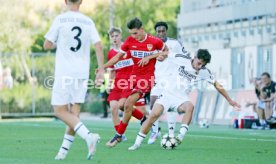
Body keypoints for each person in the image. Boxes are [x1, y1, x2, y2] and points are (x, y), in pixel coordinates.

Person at [128, 49, 241, 150]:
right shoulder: (181, 58)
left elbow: (217, 85)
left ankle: (180, 136)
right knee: (153, 116)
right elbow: (164, 53)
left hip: (181, 98)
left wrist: (229, 100)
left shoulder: (205, 72)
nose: (200, 66)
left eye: (203, 65)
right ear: (195, 57)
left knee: (190, 106)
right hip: (167, 94)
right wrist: (150, 57)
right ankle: (137, 144)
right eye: (199, 63)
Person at [43, 0, 104, 160]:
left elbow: (47, 44)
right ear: (81, 1)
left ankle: (88, 136)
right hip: (82, 73)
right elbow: (98, 45)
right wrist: (101, 70)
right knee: (74, 114)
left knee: (59, 111)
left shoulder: (60, 19)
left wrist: (58, 44)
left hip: (65, 72)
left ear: (65, 1)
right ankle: (63, 152)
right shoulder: (88, 21)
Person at [100, 17, 168, 147]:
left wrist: (151, 56)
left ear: (142, 29)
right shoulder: (130, 41)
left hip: (146, 78)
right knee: (121, 105)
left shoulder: (154, 41)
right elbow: (117, 57)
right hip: (132, 78)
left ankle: (118, 136)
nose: (133, 36)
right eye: (131, 33)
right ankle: (145, 120)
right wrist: (103, 66)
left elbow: (166, 51)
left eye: (135, 33)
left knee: (128, 104)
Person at [106, 27, 147, 139]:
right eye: (112, 36)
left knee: (124, 107)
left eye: (116, 36)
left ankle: (145, 120)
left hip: (130, 81)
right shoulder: (111, 53)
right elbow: (112, 71)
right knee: (113, 108)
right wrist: (109, 84)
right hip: (118, 83)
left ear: (120, 36)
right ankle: (120, 134)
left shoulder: (129, 48)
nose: (114, 38)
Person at [148, 21, 184, 144]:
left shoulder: (174, 43)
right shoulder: (151, 44)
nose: (161, 33)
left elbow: (184, 57)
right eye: (159, 31)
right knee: (152, 105)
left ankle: (171, 134)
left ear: (166, 31)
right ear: (156, 32)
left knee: (170, 107)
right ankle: (155, 131)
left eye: (163, 31)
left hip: (172, 80)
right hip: (157, 79)